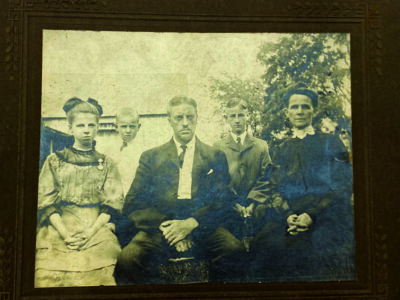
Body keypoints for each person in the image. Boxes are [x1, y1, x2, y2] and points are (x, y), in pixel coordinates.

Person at [115, 96, 233, 284]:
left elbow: (223, 199)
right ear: (169, 120)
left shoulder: (214, 155)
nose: (185, 123)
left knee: (233, 251)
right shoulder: (152, 157)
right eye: (179, 118)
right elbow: (133, 202)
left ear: (197, 118)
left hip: (202, 224)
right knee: (127, 260)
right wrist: (167, 225)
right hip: (161, 225)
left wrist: (193, 222)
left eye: (190, 117)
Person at [251, 83, 354, 281]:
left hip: (326, 214)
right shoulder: (281, 148)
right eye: (294, 107)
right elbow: (274, 189)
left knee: (321, 248)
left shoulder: (331, 142)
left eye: (305, 106)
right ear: (287, 112)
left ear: (313, 111)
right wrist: (288, 215)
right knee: (263, 244)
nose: (300, 111)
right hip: (290, 216)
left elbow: (343, 184)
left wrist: (311, 214)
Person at [35, 98, 124, 287]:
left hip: (96, 225)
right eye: (80, 125)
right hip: (60, 225)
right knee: (48, 272)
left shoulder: (107, 163)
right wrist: (66, 235)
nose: (86, 130)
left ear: (97, 127)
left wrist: (90, 233)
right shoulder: (54, 161)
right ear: (70, 128)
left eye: (91, 125)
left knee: (102, 267)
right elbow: (46, 203)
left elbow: (111, 204)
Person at [212, 99, 272, 281]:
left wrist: (253, 202)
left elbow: (267, 176)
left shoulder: (261, 145)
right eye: (232, 116)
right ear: (226, 118)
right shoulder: (218, 147)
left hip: (257, 205)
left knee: (261, 246)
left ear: (247, 116)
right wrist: (234, 203)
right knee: (232, 250)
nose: (237, 120)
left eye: (240, 115)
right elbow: (218, 180)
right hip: (229, 206)